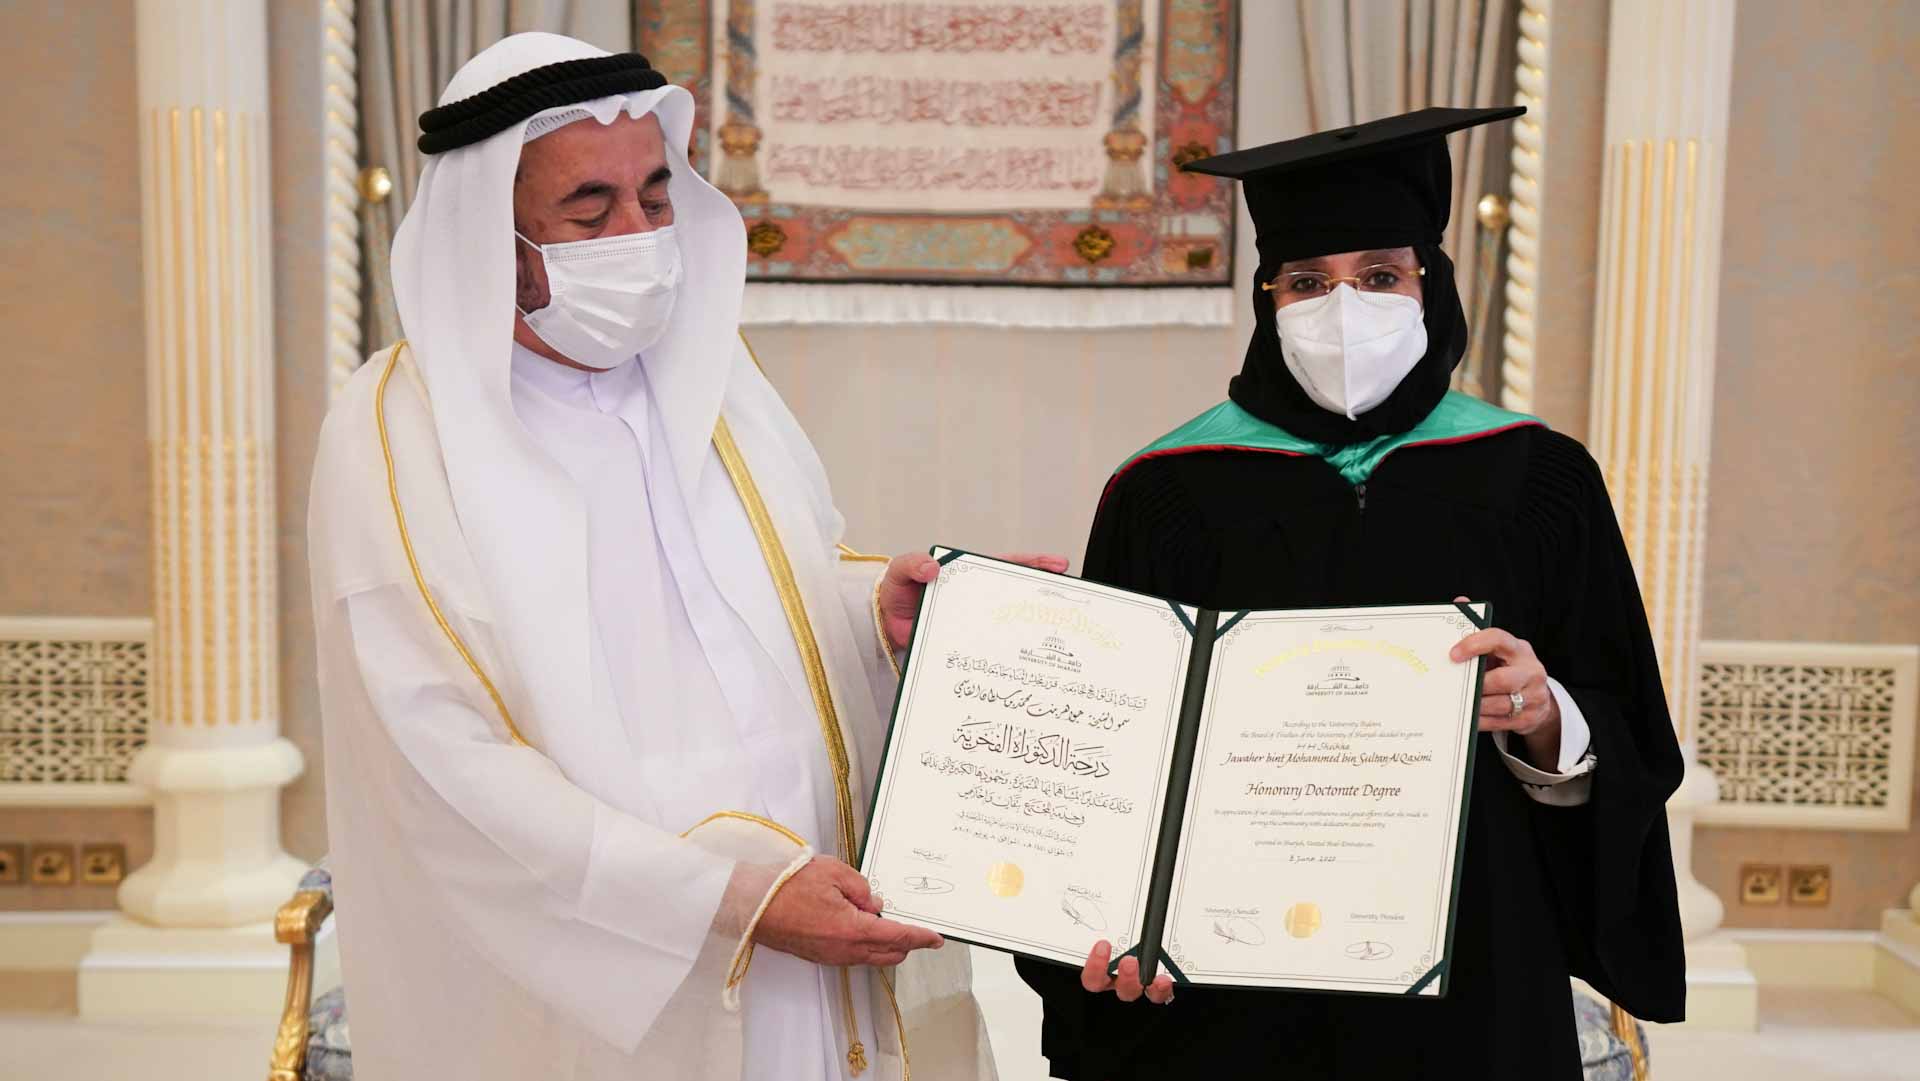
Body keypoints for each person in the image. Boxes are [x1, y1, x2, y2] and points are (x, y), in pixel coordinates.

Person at [307, 32, 1051, 1081]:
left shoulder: (711, 374)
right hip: (617, 976)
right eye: (589, 211)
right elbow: (439, 751)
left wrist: (870, 607)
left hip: (820, 911)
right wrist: (729, 899)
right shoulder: (398, 431)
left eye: (655, 197)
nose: (638, 235)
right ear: (491, 239)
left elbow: (771, 587)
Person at [1014, 107, 1686, 1079]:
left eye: (1379, 277)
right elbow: (1108, 754)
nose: (1342, 307)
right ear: (1268, 300)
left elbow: (1626, 725)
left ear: (1429, 286)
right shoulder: (1169, 491)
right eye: (1307, 282)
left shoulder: (1538, 480)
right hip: (1228, 978)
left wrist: (1546, 716)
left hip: (1475, 966)